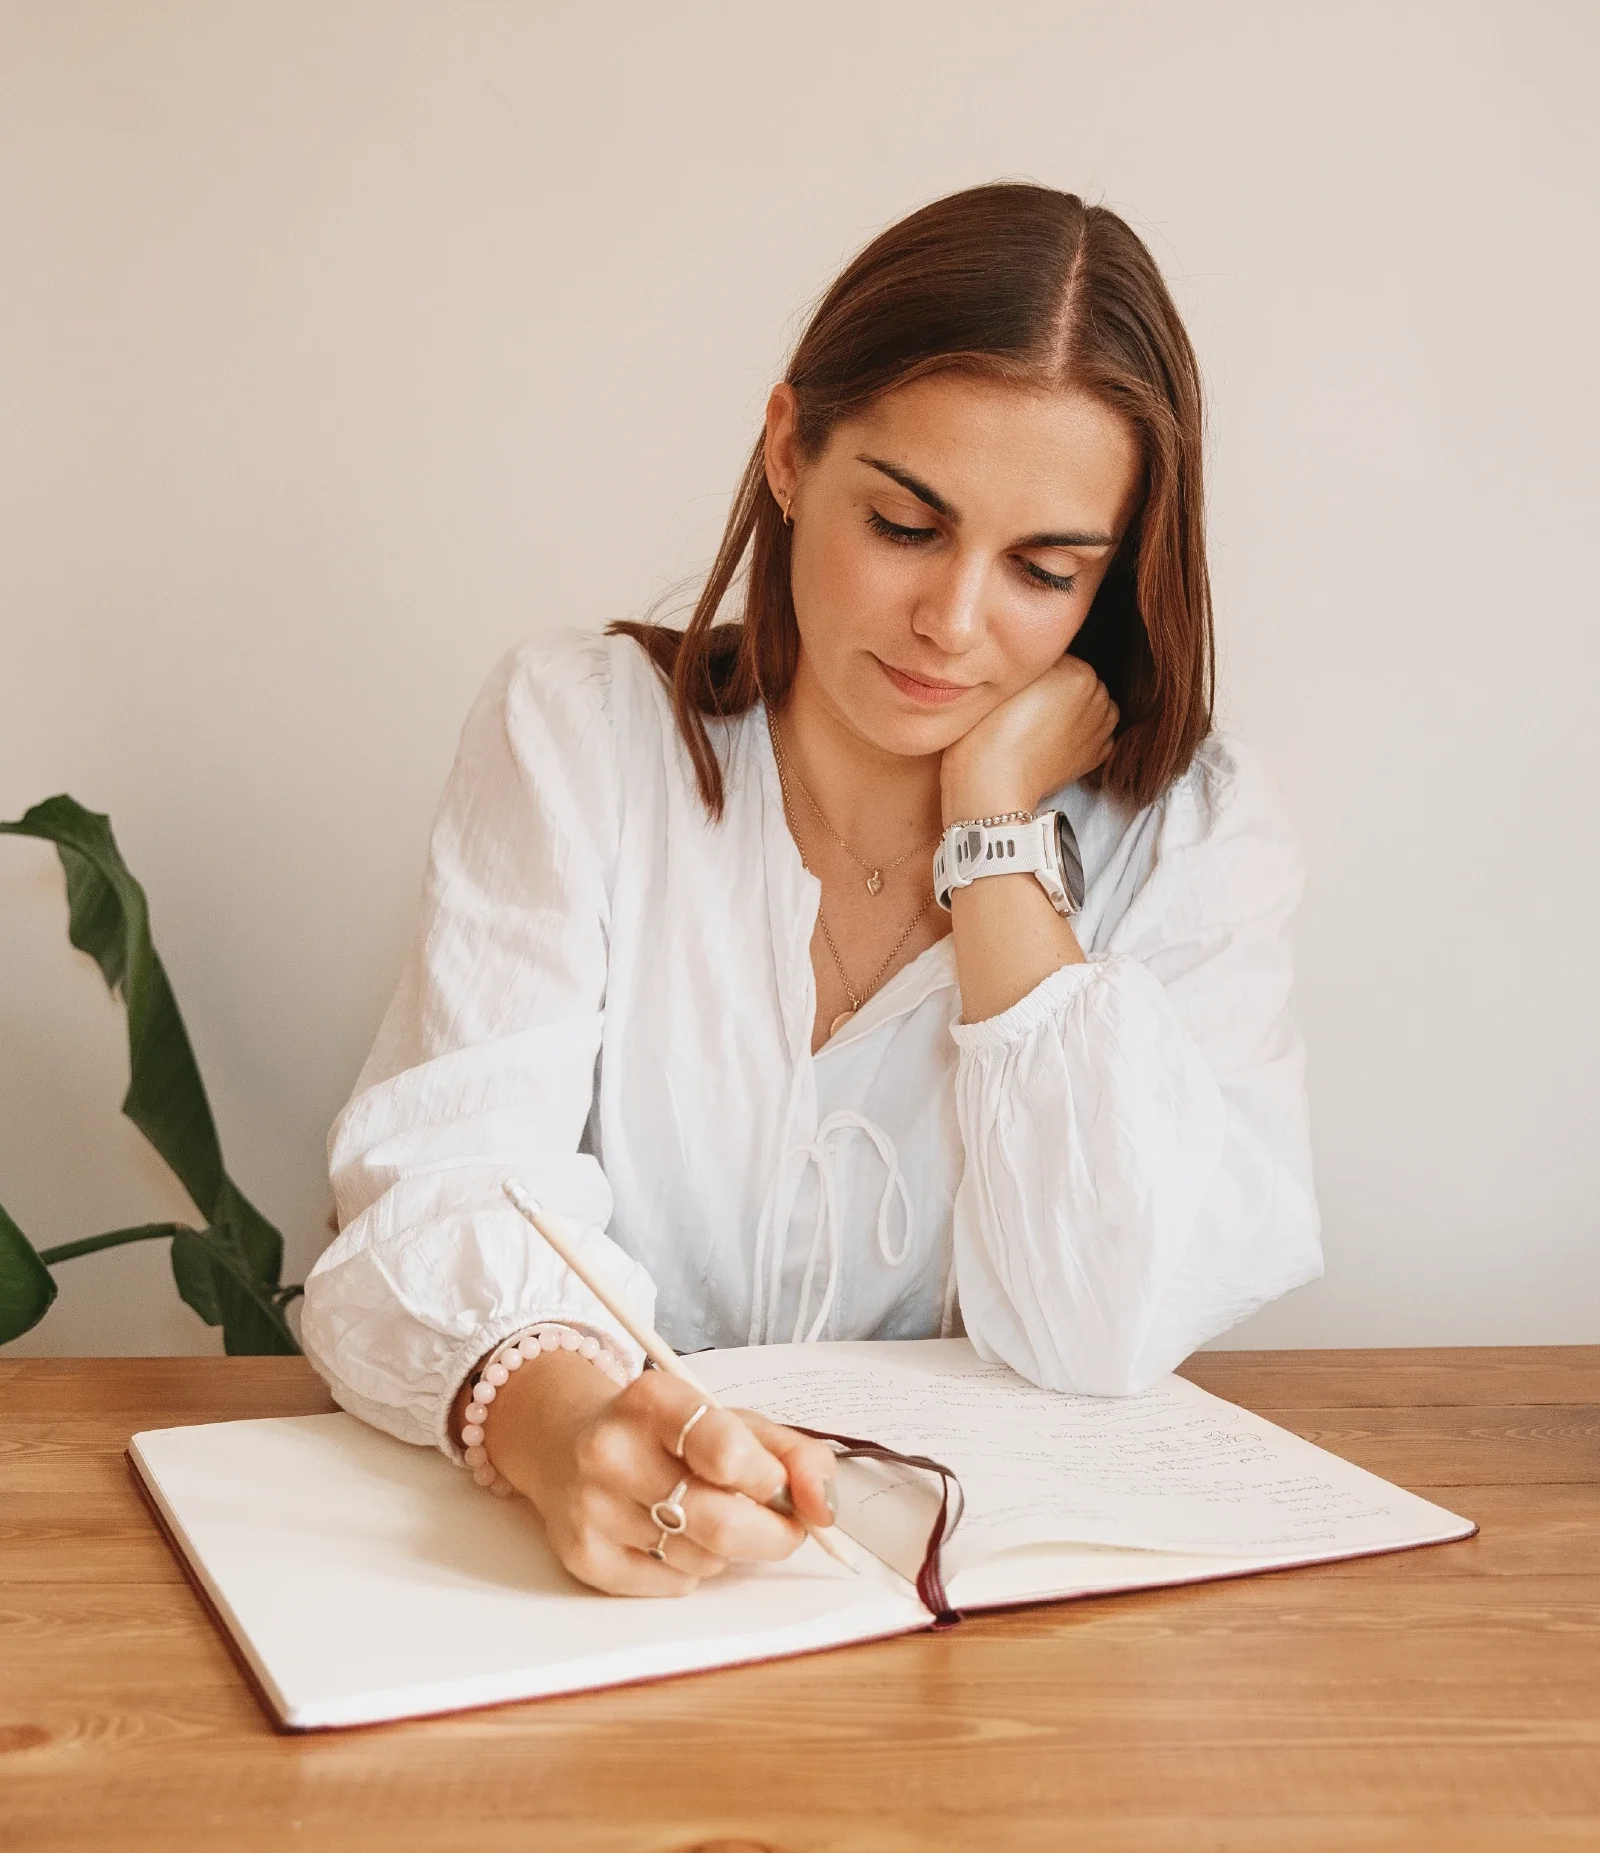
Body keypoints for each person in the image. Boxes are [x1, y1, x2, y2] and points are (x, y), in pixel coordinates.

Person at [301, 181, 1322, 1600]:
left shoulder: (1196, 834)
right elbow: (442, 1186)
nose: (954, 624)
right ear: (790, 451)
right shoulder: (580, 737)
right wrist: (563, 1426)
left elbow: (1101, 1326)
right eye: (906, 524)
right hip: (588, 1607)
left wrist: (993, 825)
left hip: (991, 1646)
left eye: (1043, 569)